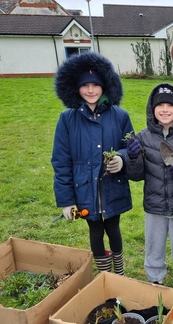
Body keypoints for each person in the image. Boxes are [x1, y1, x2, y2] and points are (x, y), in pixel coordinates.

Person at [52, 51, 134, 275]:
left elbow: (132, 147)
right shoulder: (67, 119)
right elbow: (61, 160)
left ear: (105, 86)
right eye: (85, 85)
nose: (91, 90)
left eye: (95, 85)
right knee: (95, 231)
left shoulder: (120, 116)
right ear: (76, 88)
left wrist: (122, 159)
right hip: (85, 189)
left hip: (113, 187)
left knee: (114, 229)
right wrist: (66, 200)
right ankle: (105, 274)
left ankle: (119, 273)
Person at [124, 83, 173, 304]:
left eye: (170, 105)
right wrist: (133, 158)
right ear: (152, 109)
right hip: (155, 205)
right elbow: (137, 175)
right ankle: (155, 281)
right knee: (154, 246)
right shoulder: (144, 136)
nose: (165, 109)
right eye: (160, 105)